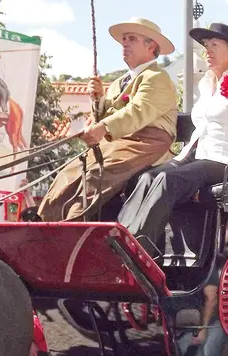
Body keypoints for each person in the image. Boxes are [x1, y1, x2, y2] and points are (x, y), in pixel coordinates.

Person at [118, 23, 228, 253]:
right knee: (146, 178)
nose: (207, 51)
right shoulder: (206, 83)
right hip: (197, 157)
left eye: (214, 45)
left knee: (166, 179)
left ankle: (136, 250)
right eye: (205, 46)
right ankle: (118, 238)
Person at [38, 18, 177, 222]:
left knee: (96, 174)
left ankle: (71, 227)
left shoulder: (157, 77)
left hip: (147, 144)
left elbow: (137, 112)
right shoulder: (119, 83)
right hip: (118, 142)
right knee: (71, 172)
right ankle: (45, 222)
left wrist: (103, 126)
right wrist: (98, 101)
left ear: (151, 45)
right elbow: (106, 117)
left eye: (132, 39)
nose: (125, 44)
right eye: (123, 40)